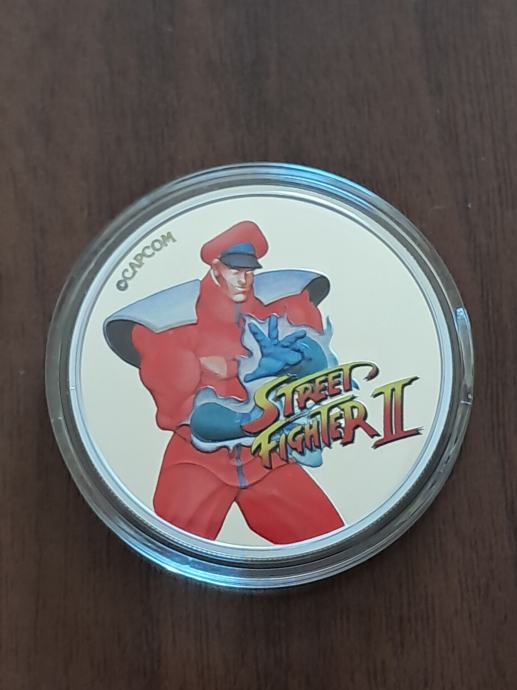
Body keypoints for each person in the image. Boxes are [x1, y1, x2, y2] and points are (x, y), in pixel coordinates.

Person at [104, 220, 344, 544]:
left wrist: (246, 368)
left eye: (249, 271)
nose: (243, 279)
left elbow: (313, 366)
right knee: (166, 546)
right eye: (235, 270)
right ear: (216, 268)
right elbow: (181, 408)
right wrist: (240, 394)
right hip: (198, 461)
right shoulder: (173, 325)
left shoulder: (278, 308)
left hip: (266, 455)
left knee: (327, 539)